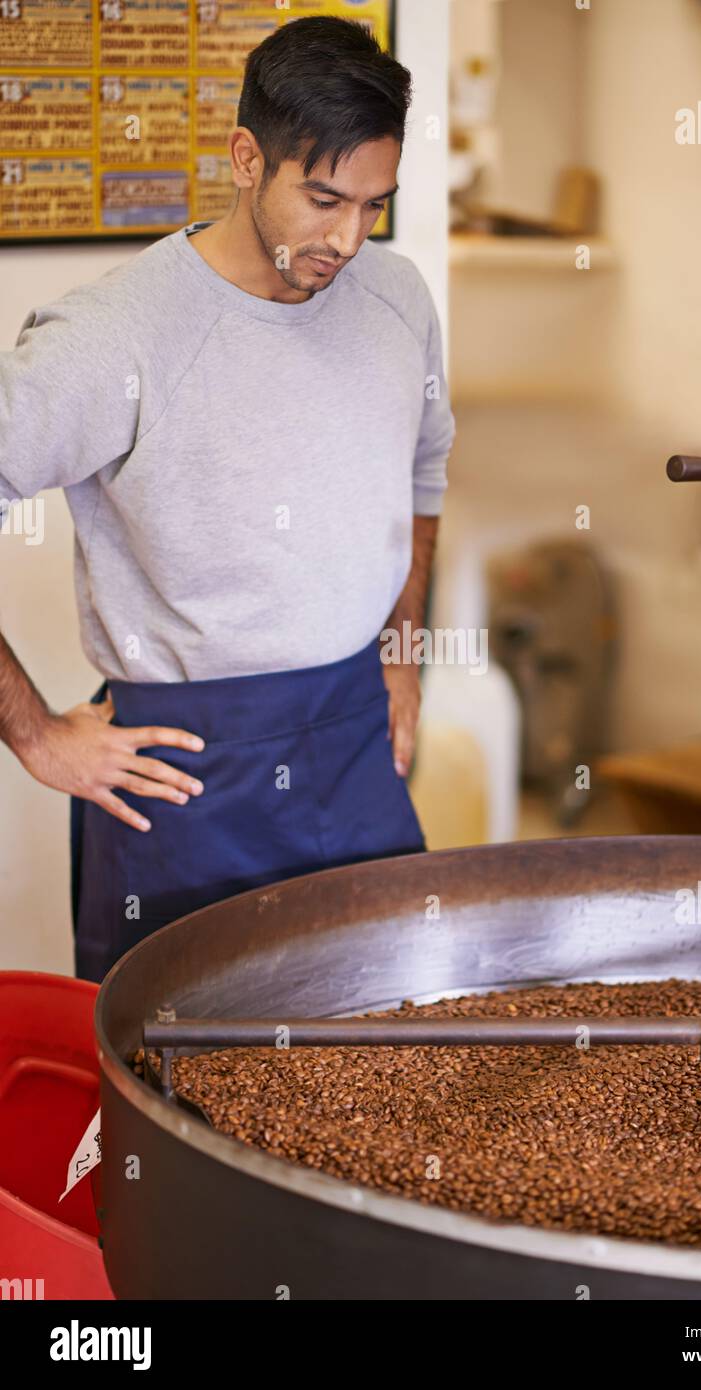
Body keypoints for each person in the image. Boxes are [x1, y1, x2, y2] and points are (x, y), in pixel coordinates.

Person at [0, 16, 455, 982]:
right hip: (184, 770)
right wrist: (36, 737)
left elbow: (421, 475)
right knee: (179, 1095)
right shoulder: (114, 335)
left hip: (353, 738)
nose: (346, 238)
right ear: (247, 158)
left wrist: (404, 653)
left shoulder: (400, 300)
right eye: (324, 197)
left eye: (374, 205)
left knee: (393, 1047)